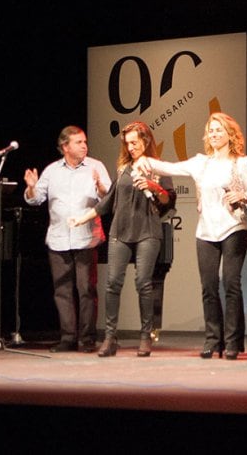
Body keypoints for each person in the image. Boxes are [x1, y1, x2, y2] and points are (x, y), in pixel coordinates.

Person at [135, 112, 247, 360]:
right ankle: (213, 340)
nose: (214, 134)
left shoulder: (241, 162)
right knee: (209, 287)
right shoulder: (202, 162)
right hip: (206, 230)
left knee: (231, 284)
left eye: (219, 130)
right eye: (210, 130)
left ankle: (232, 342)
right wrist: (145, 160)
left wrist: (242, 196)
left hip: (234, 227)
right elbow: (171, 167)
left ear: (230, 134)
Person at [69, 121, 175, 357]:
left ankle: (146, 336)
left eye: (135, 142)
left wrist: (153, 186)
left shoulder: (156, 168)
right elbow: (107, 203)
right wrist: (82, 218)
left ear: (145, 141)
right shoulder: (123, 169)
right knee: (113, 283)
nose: (131, 147)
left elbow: (168, 201)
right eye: (128, 144)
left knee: (143, 282)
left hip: (148, 230)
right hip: (120, 231)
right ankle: (110, 337)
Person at [23, 126, 111, 353]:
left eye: (85, 142)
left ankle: (87, 339)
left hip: (86, 238)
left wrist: (100, 186)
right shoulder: (52, 171)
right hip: (58, 238)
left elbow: (109, 199)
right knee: (62, 290)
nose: (84, 145)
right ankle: (68, 337)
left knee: (86, 289)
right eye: (79, 142)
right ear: (65, 146)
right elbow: (35, 200)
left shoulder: (96, 166)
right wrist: (32, 188)